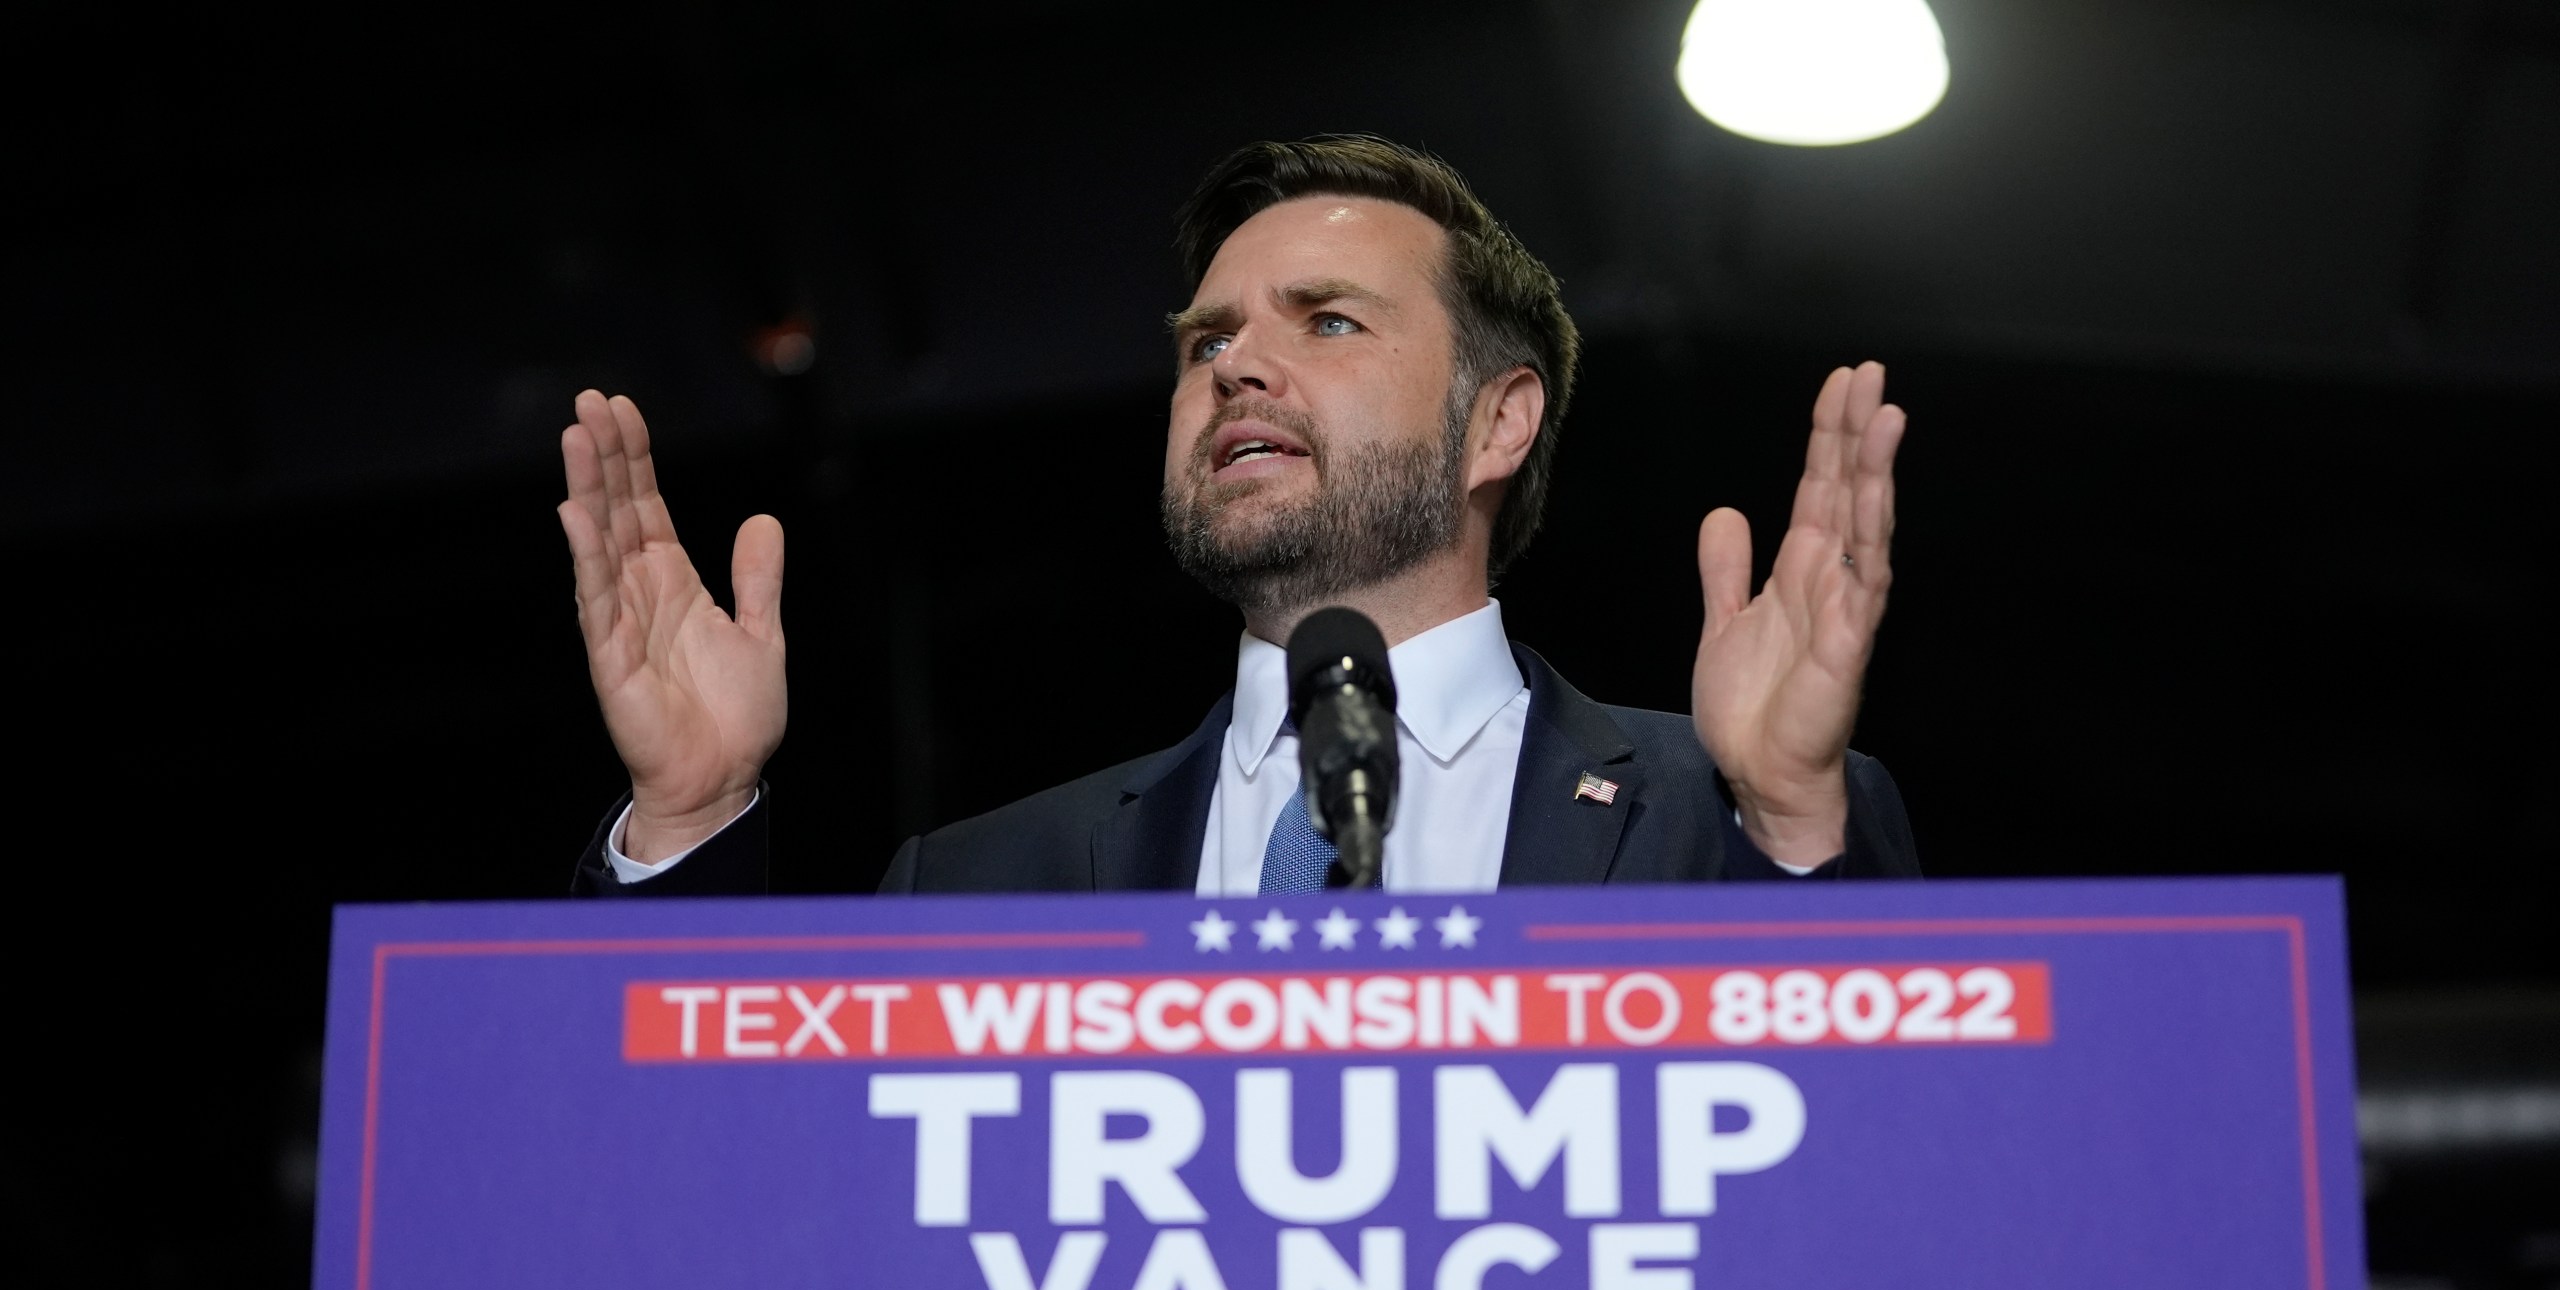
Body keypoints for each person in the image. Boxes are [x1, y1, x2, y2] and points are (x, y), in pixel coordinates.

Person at [557, 136, 1917, 898]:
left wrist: (1792, 825)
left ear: (1500, 422)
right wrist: (687, 822)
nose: (1238, 367)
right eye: (1208, 341)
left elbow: (1887, 1203)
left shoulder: (1718, 817)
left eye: (1327, 321)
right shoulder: (984, 885)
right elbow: (704, 1220)